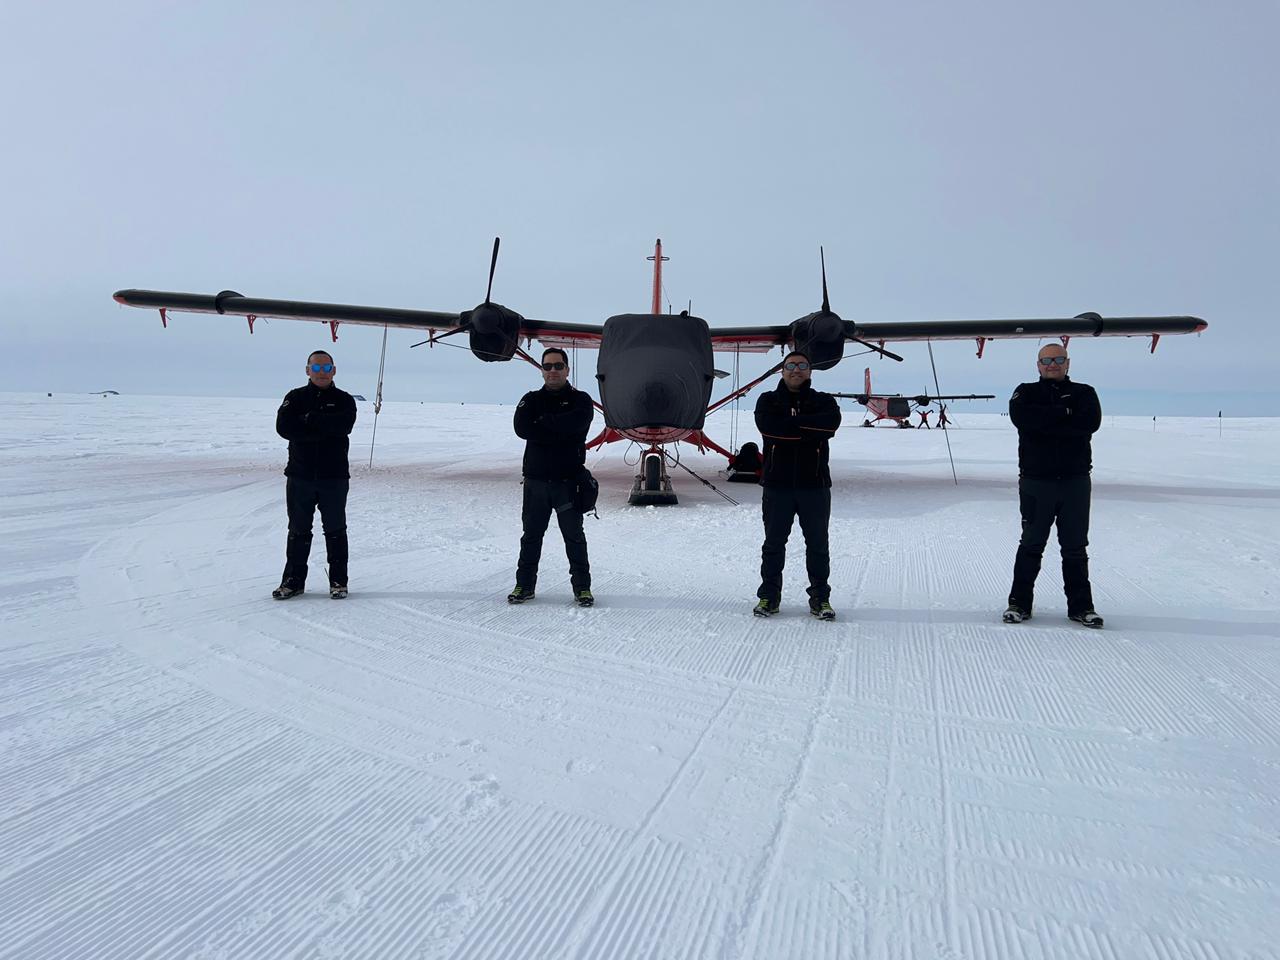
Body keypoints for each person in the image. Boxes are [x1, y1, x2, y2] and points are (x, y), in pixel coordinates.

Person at [1004, 343, 1104, 627]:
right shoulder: (1025, 392)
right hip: (1037, 483)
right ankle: (1019, 604)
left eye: (1058, 359)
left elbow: (1090, 423)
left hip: (1075, 482)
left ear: (1068, 363)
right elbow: (1022, 418)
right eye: (1046, 360)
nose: (1052, 364)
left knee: (1075, 547)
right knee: (1031, 544)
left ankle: (1081, 607)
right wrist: (1065, 413)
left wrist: (1046, 418)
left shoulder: (1086, 393)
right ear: (1038, 365)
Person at [752, 351, 842, 619]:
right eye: (790, 365)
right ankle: (769, 596)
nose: (796, 370)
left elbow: (829, 427)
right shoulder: (767, 400)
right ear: (782, 370)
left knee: (818, 544)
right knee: (773, 544)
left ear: (810, 371)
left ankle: (820, 598)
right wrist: (808, 430)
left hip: (814, 486)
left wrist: (790, 427)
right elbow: (769, 429)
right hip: (777, 486)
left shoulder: (824, 401)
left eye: (803, 365)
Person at [508, 348, 595, 607]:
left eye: (558, 366)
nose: (553, 371)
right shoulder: (530, 399)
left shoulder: (582, 400)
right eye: (548, 366)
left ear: (568, 370)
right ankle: (524, 585)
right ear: (542, 370)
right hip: (535, 483)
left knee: (575, 537)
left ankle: (583, 588)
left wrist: (542, 424)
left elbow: (578, 423)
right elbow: (521, 428)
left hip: (568, 483)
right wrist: (559, 427)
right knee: (531, 537)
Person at [273, 350, 357, 600]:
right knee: (298, 530)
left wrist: (310, 420)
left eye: (326, 368)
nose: (322, 373)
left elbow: (344, 426)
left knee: (335, 529)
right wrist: (322, 428)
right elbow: (284, 428)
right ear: (308, 370)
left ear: (334, 371)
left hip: (334, 477)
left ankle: (338, 581)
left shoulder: (344, 400)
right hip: (300, 476)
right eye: (317, 368)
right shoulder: (295, 397)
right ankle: (293, 581)